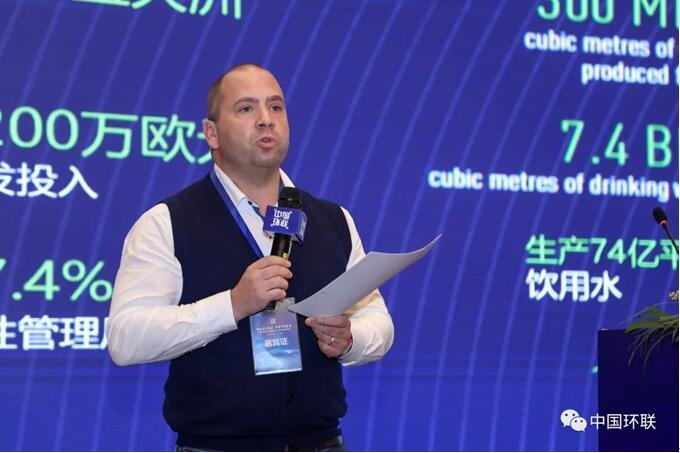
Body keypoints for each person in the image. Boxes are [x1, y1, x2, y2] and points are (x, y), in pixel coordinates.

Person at [107, 63, 394, 452]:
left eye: (275, 107)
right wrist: (232, 304)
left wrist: (350, 339)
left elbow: (378, 320)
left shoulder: (334, 220)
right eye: (246, 108)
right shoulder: (166, 222)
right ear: (211, 133)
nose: (265, 120)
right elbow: (126, 339)